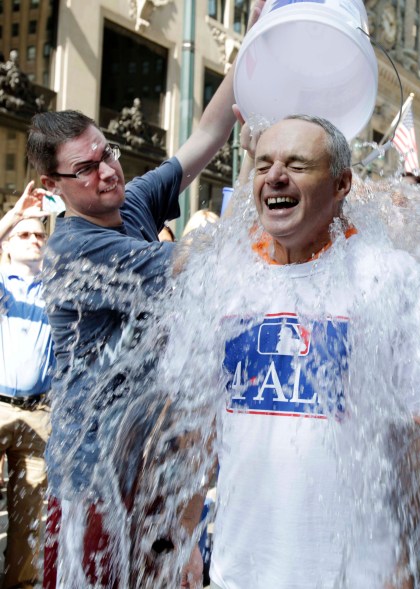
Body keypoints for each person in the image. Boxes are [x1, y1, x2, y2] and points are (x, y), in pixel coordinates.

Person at [179, 115, 420, 589]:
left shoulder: (389, 277)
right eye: (263, 165)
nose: (275, 176)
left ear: (341, 184)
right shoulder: (220, 280)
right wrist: (184, 536)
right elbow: (194, 426)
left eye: (297, 164)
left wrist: (413, 556)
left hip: (358, 573)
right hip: (239, 569)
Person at [26, 3, 265, 581]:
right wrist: (261, 173)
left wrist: (260, 38)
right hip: (93, 474)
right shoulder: (74, 249)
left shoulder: (130, 202)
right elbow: (195, 261)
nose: (107, 170)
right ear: (50, 185)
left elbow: (207, 133)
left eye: (106, 152)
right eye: (85, 168)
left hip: (153, 460)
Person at [0, 181, 54, 589]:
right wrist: (14, 216)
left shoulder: (57, 286)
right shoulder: (2, 285)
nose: (34, 239)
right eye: (25, 233)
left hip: (40, 413)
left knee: (29, 517)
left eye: (39, 233)